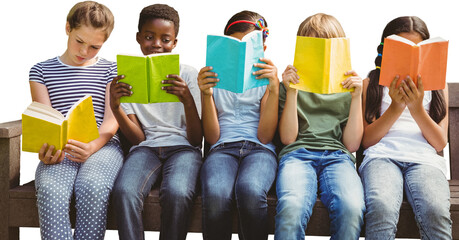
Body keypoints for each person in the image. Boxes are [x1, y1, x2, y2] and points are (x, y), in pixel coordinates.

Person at [29, 1, 123, 239]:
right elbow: (45, 121)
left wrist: (92, 146)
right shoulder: (40, 71)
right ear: (68, 28)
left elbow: (112, 121)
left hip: (102, 145)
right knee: (51, 190)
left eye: (94, 47)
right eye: (79, 41)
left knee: (92, 187)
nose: (84, 51)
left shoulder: (111, 70)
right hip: (61, 149)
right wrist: (47, 150)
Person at [109, 4, 202, 240]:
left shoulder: (188, 74)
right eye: (149, 37)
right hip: (146, 148)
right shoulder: (127, 76)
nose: (157, 45)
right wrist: (116, 107)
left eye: (165, 39)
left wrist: (187, 100)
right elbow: (138, 138)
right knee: (124, 191)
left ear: (175, 43)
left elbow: (195, 139)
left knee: (178, 192)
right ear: (139, 38)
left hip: (184, 149)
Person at [360, 16, 452, 239]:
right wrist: (396, 107)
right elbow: (366, 140)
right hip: (382, 157)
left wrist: (417, 107)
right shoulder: (370, 83)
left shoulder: (438, 86)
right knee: (381, 207)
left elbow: (439, 142)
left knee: (436, 211)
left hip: (425, 160)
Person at [275, 13, 365, 240]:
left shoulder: (348, 87)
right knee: (291, 207)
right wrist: (292, 91)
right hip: (297, 154)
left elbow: (352, 144)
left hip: (338, 156)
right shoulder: (289, 84)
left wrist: (356, 98)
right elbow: (287, 138)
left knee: (352, 208)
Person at [197, 10, 279, 240]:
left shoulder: (267, 80)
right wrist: (206, 94)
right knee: (215, 194)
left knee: (251, 191)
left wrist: (274, 88)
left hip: (260, 150)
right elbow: (212, 138)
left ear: (262, 45)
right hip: (222, 148)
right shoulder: (213, 77)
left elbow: (265, 136)